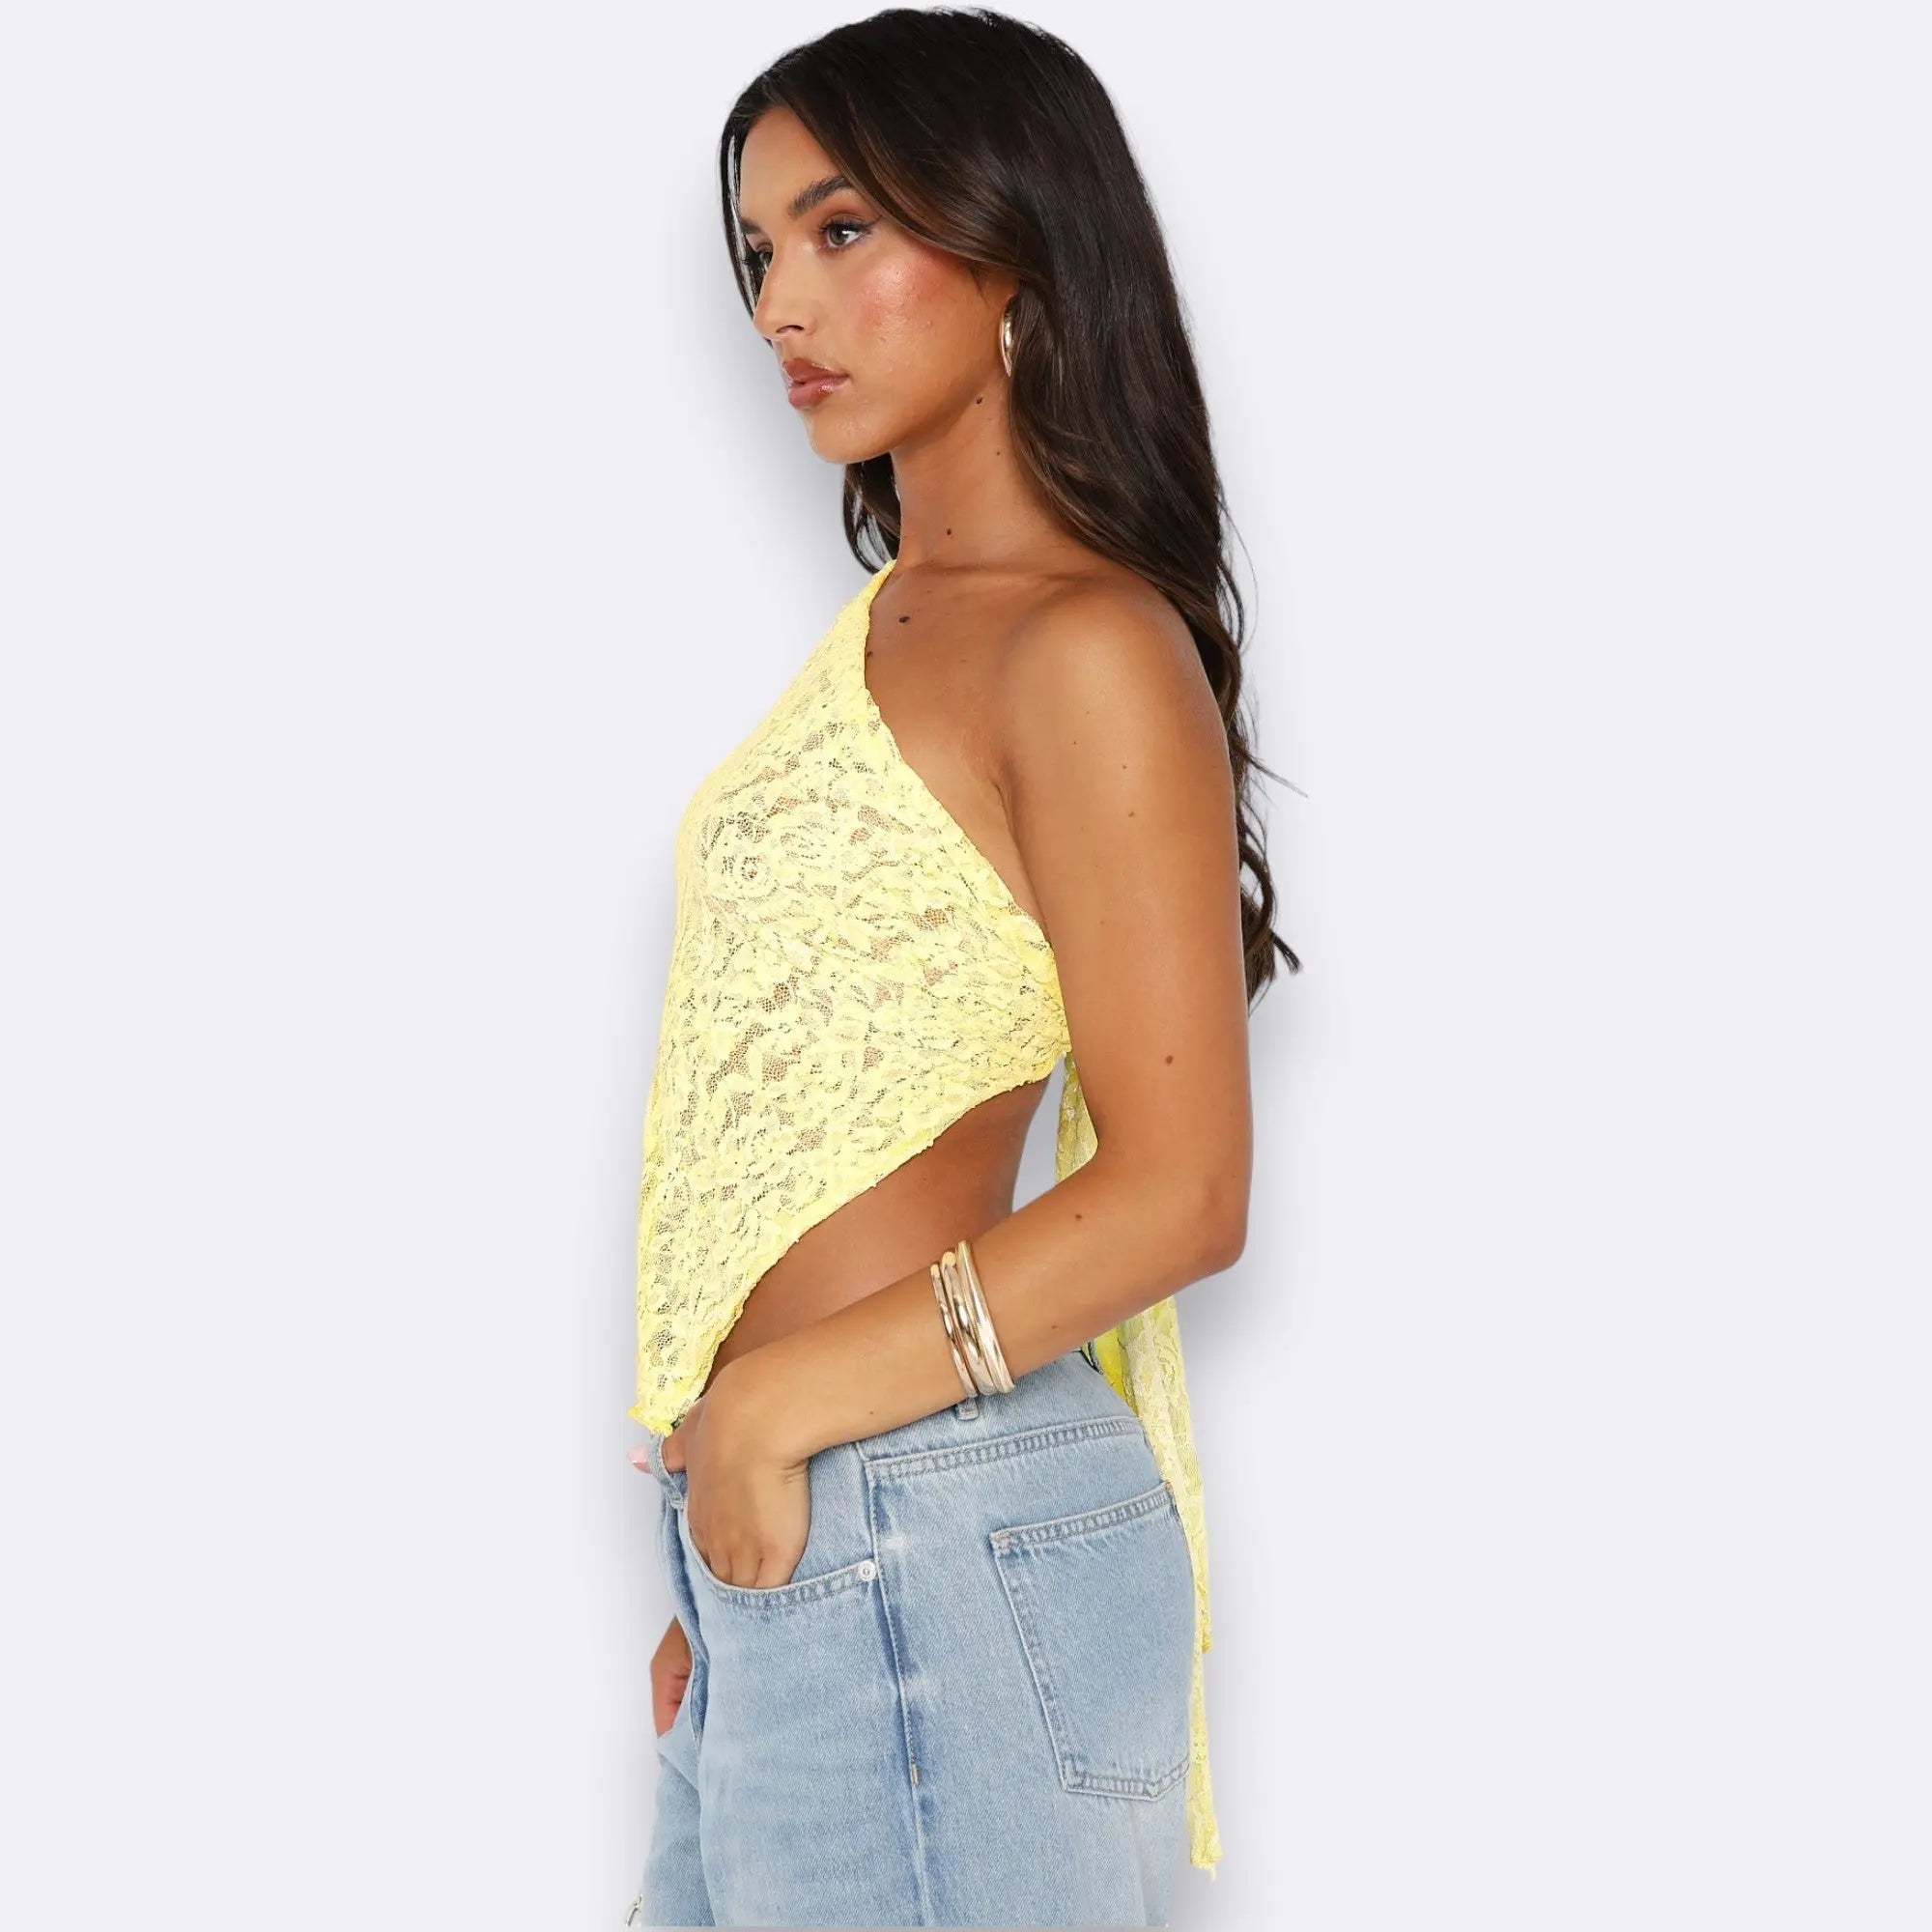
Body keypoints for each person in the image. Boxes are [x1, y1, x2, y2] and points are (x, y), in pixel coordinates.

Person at [625, 9, 1297, 1925]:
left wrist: (780, 1411)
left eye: (843, 230)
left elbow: (1182, 1188)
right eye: (760, 249)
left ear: (1015, 248)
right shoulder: (895, 625)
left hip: (924, 1512)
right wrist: (725, 1528)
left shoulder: (1082, 645)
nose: (781, 302)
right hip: (813, 1541)